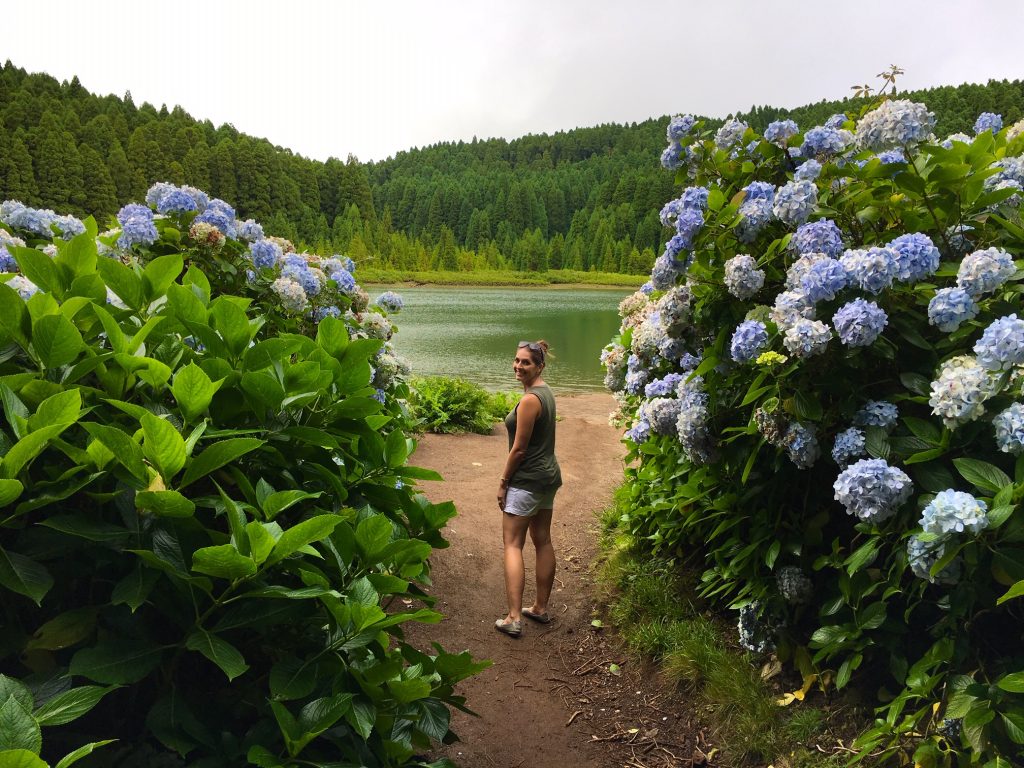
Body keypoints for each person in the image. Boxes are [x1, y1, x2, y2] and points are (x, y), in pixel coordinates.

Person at [494, 340, 562, 637]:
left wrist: (503, 482)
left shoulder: (531, 400)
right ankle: (540, 608)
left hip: (527, 481)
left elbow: (519, 450)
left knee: (513, 544)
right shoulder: (546, 393)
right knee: (542, 540)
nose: (518, 366)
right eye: (517, 360)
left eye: (526, 363)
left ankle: (513, 617)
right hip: (547, 477)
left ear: (540, 367)